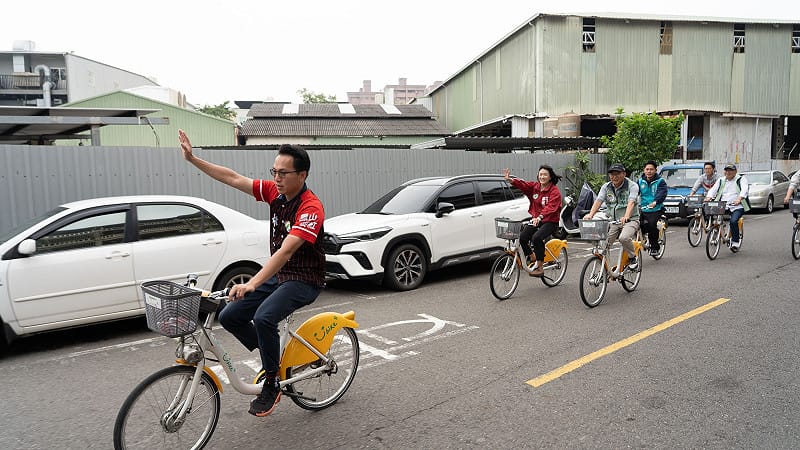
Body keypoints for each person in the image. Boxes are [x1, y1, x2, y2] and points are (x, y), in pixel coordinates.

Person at [177, 130, 325, 417]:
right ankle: (274, 358)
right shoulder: (275, 194)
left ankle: (273, 383)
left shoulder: (310, 208)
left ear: (302, 175)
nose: (277, 178)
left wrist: (252, 283)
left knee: (264, 317)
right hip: (280, 276)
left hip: (305, 279)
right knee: (230, 315)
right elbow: (232, 178)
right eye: (274, 172)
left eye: (283, 173)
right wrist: (193, 159)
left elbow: (285, 252)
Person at [503, 165, 562, 277]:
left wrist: (540, 217)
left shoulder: (554, 191)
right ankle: (532, 256)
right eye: (540, 174)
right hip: (536, 219)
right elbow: (523, 185)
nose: (542, 177)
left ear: (550, 177)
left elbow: (551, 207)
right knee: (523, 237)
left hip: (550, 221)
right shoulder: (535, 187)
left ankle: (540, 267)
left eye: (545, 175)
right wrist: (511, 180)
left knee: (537, 238)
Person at [584, 163, 641, 269]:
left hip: (631, 220)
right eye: (612, 174)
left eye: (617, 174)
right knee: (604, 245)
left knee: (623, 238)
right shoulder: (606, 187)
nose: (614, 177)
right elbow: (599, 200)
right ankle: (606, 271)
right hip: (614, 221)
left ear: (624, 174)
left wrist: (626, 216)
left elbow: (632, 201)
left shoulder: (632, 186)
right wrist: (590, 215)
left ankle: (633, 257)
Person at [705, 163, 749, 250]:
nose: (728, 172)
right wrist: (708, 197)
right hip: (723, 205)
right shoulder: (721, 180)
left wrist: (739, 199)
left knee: (733, 221)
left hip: (737, 206)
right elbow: (713, 189)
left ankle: (735, 242)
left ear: (735, 172)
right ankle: (717, 231)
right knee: (712, 216)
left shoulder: (741, 179)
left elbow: (744, 190)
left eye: (730, 170)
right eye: (726, 170)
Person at [638, 160, 668, 256]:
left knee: (652, 225)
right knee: (635, 223)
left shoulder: (660, 181)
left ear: (655, 170)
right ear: (644, 170)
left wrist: (655, 202)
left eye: (651, 169)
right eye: (647, 169)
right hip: (642, 208)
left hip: (655, 209)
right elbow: (634, 193)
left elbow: (662, 193)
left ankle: (655, 247)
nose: (649, 171)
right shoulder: (640, 181)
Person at [689, 161, 720, 227]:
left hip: (716, 196)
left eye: (709, 168)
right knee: (702, 207)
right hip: (706, 197)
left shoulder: (718, 177)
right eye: (706, 169)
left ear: (713, 169)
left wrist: (714, 197)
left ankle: (714, 223)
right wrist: (691, 195)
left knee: (714, 212)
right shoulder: (702, 177)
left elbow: (719, 188)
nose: (707, 170)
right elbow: (695, 187)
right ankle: (705, 222)